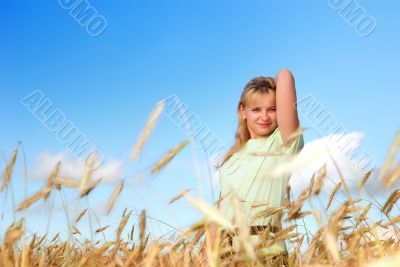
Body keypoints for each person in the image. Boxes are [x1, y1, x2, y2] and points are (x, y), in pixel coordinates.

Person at [203, 68, 304, 265]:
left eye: (272, 109)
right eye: (256, 109)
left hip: (266, 252)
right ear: (243, 112)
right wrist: (208, 256)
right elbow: (221, 210)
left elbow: (284, 75)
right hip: (226, 254)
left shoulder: (282, 143)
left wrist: (266, 85)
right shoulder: (232, 156)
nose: (264, 116)